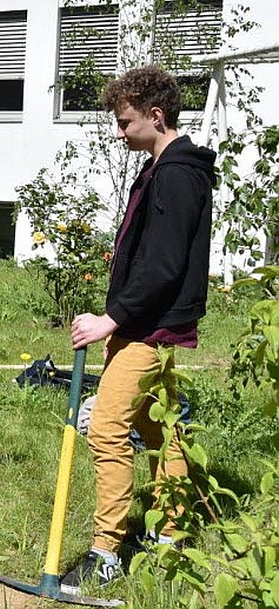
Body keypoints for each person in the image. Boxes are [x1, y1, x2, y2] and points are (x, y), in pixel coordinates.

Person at [62, 65, 215, 593]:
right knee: (158, 428)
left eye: (125, 122)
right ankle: (172, 533)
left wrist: (112, 318)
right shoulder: (159, 169)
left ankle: (107, 551)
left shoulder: (176, 172)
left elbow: (164, 263)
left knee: (106, 428)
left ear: (157, 115)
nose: (119, 131)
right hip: (145, 321)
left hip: (151, 327)